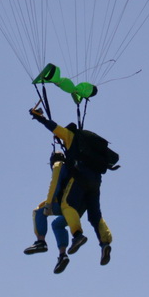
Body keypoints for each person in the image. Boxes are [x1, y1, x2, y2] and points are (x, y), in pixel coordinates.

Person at [29, 107, 113, 265]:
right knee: (95, 216)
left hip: (81, 176)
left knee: (66, 205)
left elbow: (54, 127)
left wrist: (40, 118)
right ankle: (104, 244)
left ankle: (76, 235)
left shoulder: (70, 137)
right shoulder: (87, 149)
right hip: (96, 181)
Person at [23, 150, 76, 273]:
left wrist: (48, 204)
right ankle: (62, 255)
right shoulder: (72, 168)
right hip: (77, 207)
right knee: (57, 224)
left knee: (38, 212)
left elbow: (54, 186)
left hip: (65, 204)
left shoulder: (59, 166)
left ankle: (41, 242)